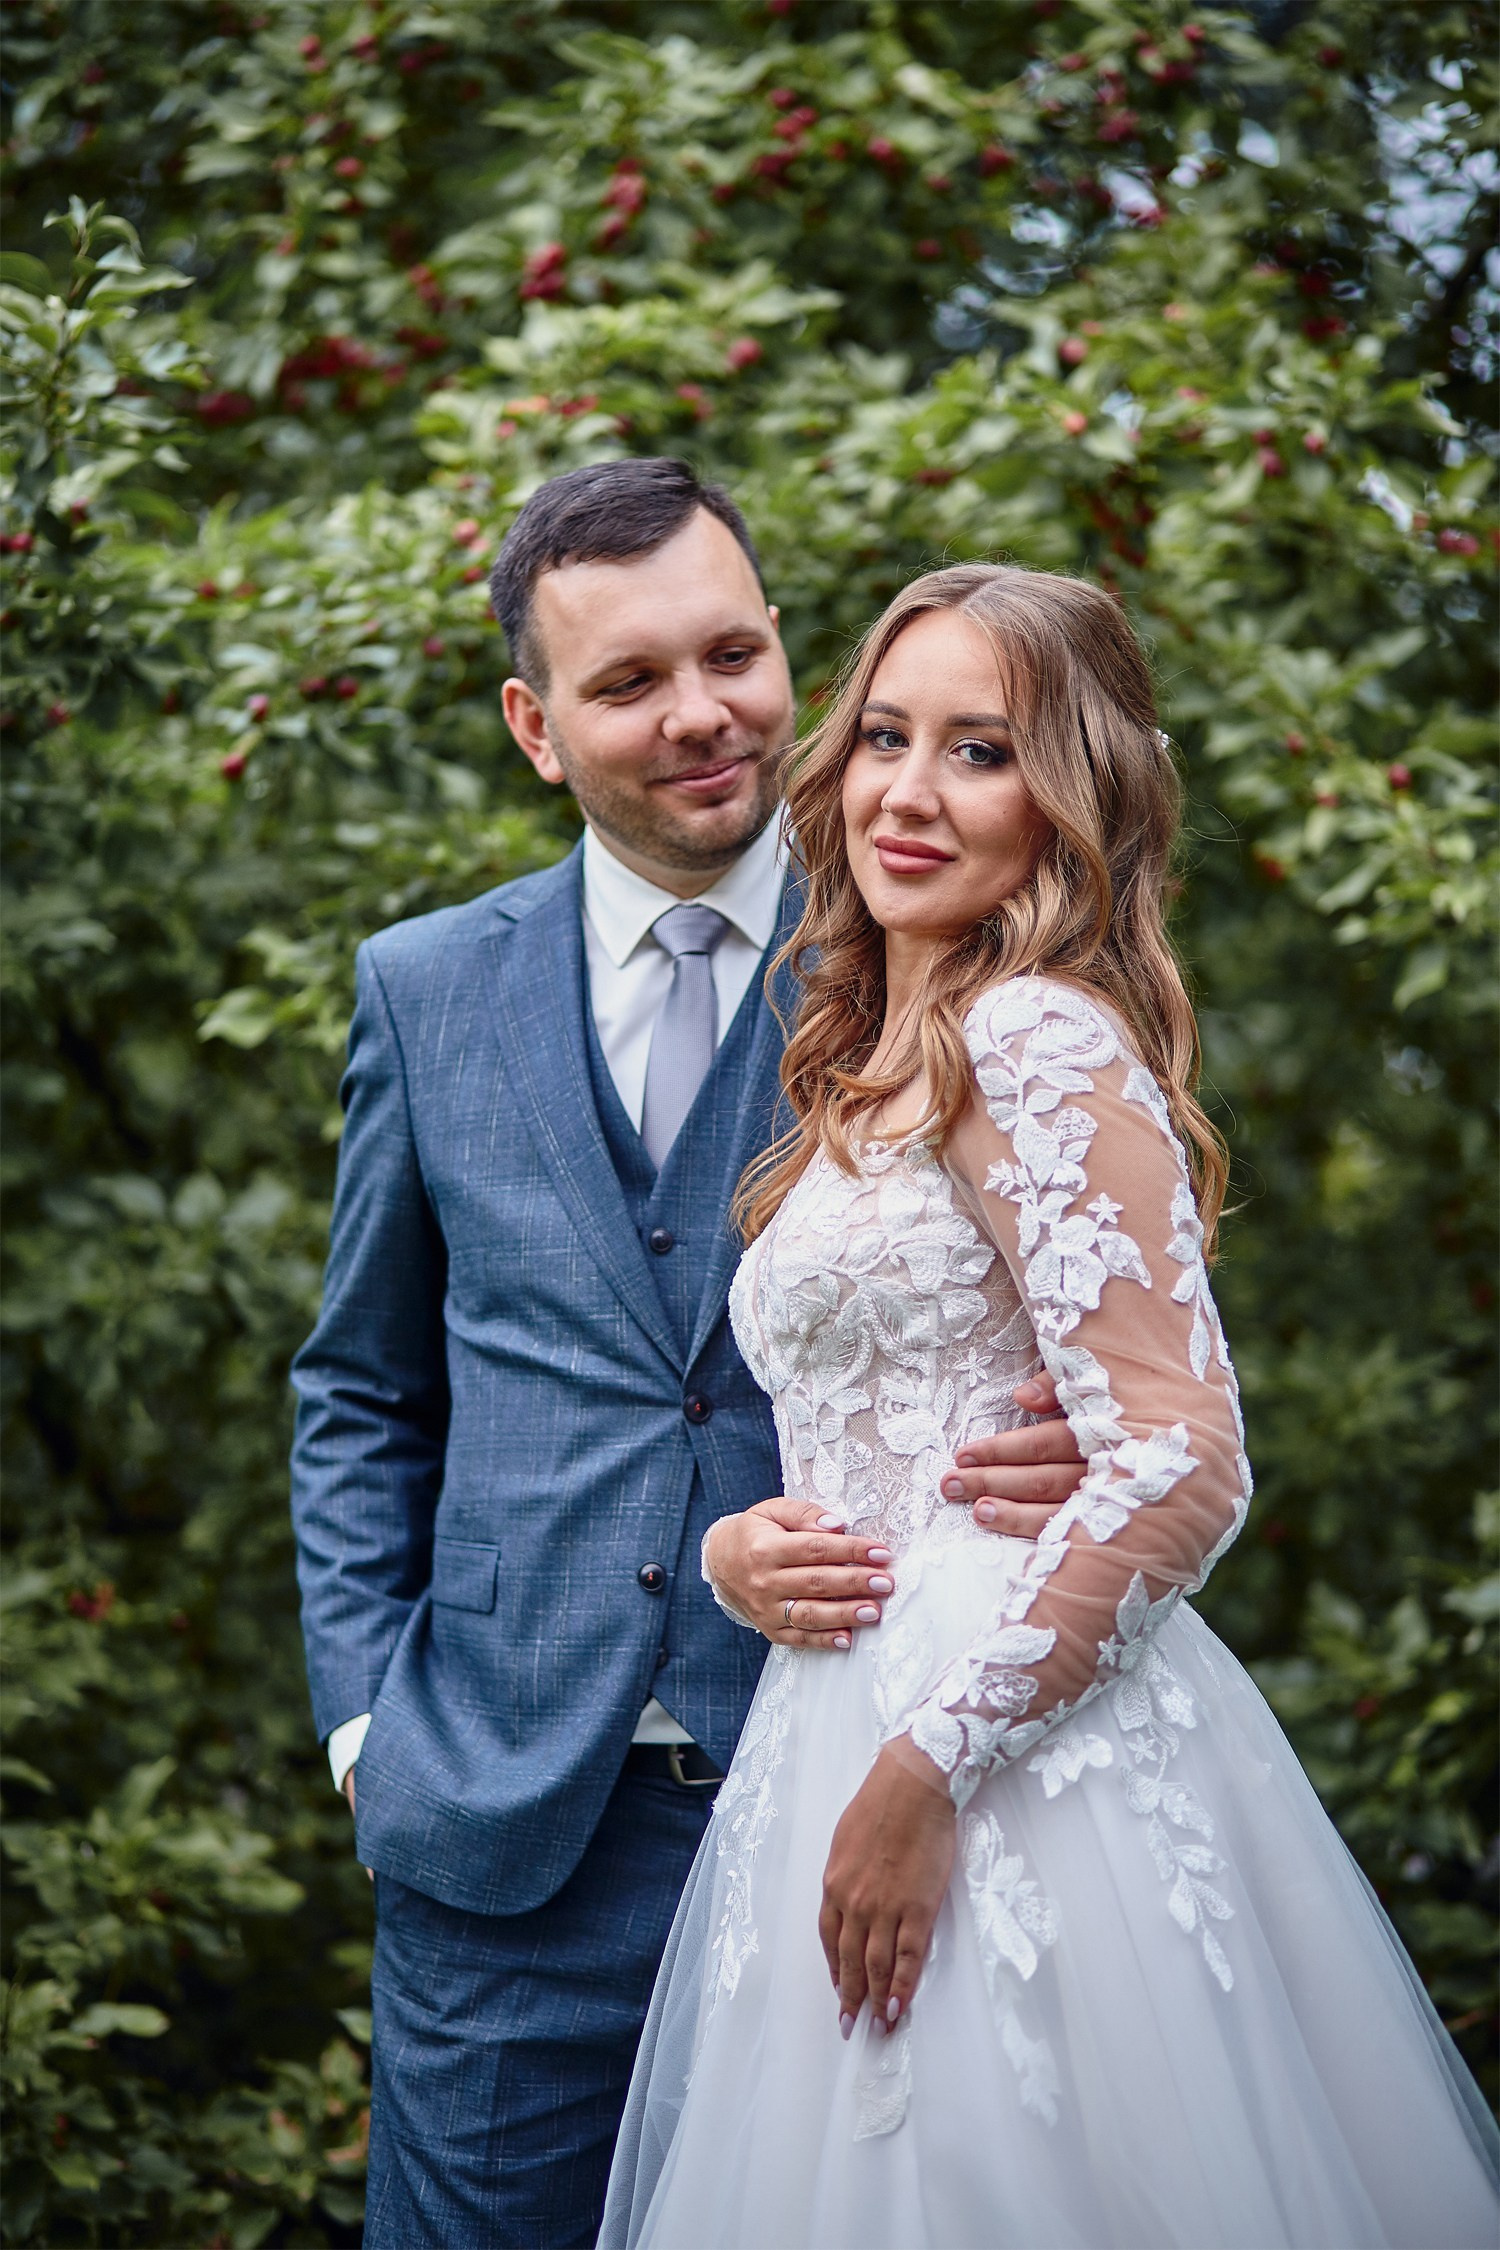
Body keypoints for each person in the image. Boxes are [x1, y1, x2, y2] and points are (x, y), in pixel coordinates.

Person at [599, 562, 1500, 2250]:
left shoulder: (1031, 1035)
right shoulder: (868, 1054)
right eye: (884, 736)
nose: (908, 792)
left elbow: (1185, 1455)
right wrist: (737, 1552)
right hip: (832, 1715)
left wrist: (924, 1770)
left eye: (982, 751)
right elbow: (862, 1414)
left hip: (993, 1753)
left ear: (1070, 797)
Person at [288, 461, 1088, 2248]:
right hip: (505, 1835)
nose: (702, 713)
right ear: (537, 726)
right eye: (631, 680)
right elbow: (361, 1385)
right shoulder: (426, 987)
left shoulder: (940, 948)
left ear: (785, 649)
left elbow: (1138, 1353)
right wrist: (364, 1729)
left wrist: (1081, 1450)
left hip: (854, 1814)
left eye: (733, 654)